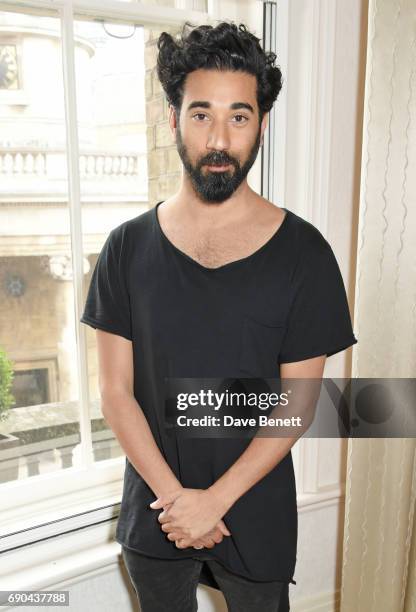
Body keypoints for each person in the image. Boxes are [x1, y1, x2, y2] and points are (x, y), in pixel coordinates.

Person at [80, 20, 358, 612]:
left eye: (239, 116)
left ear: (260, 124)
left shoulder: (305, 253)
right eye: (201, 113)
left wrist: (215, 500)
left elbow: (299, 402)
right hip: (158, 507)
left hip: (256, 509)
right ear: (173, 118)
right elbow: (114, 391)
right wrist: (179, 500)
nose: (219, 138)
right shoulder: (126, 247)